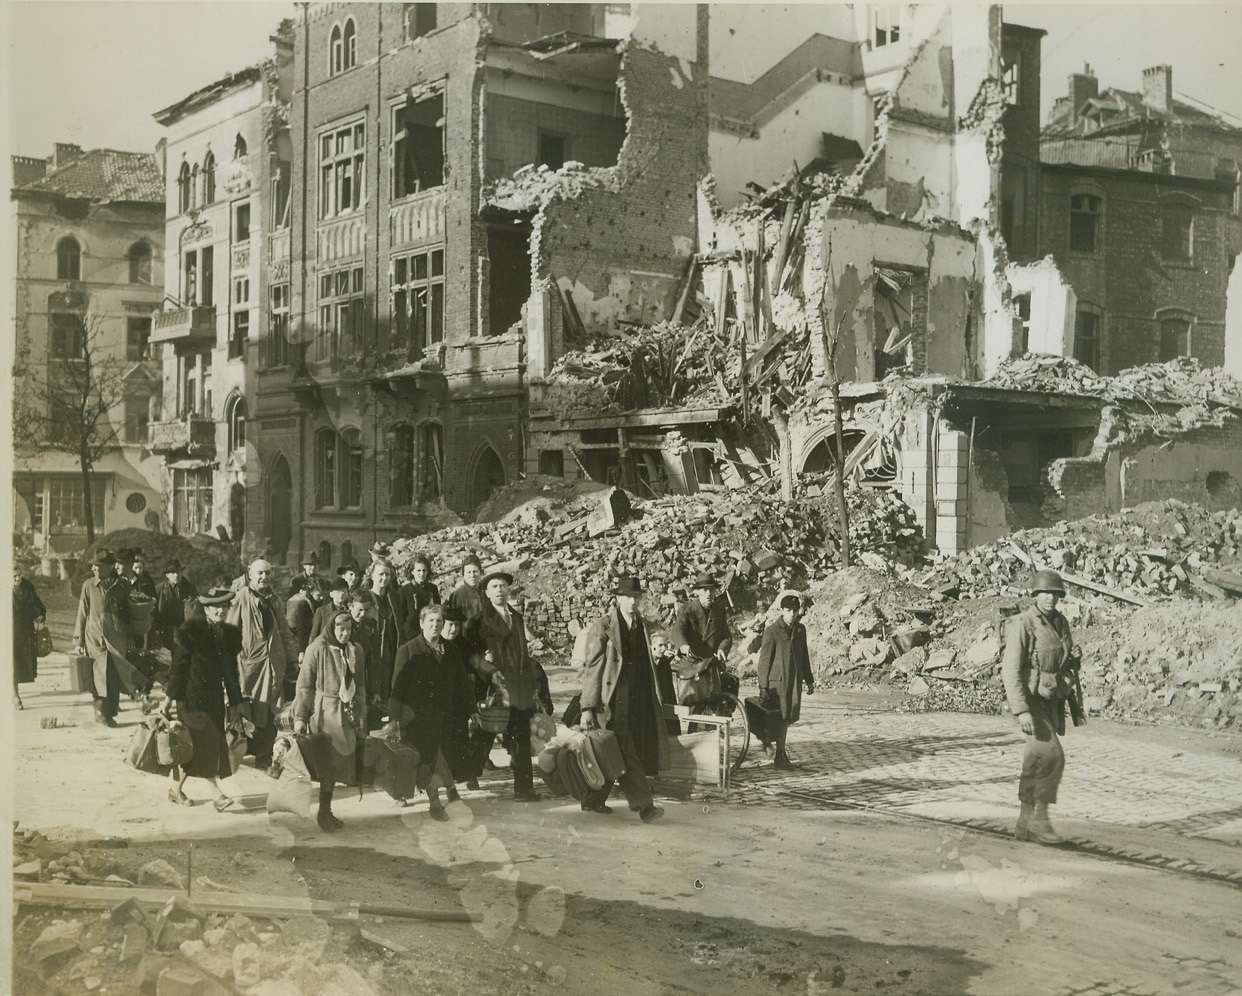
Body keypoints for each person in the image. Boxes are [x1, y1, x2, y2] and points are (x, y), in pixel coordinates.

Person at [579, 576, 668, 823]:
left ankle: (593, 800)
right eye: (626, 597)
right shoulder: (604, 626)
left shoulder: (642, 626)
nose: (631, 602)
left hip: (637, 700)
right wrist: (587, 707)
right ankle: (644, 805)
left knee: (613, 751)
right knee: (626, 750)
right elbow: (593, 667)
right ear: (617, 599)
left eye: (635, 597)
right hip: (611, 701)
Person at [1002, 569, 1081, 845]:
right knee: (1052, 756)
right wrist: (1021, 709)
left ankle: (1024, 823)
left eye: (1055, 594)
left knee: (1035, 759)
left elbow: (1060, 661)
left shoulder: (1060, 623)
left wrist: (1073, 659)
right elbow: (1010, 669)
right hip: (1032, 702)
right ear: (1035, 595)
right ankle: (1040, 821)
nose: (1050, 598)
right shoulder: (1024, 624)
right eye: (1045, 593)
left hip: (1052, 701)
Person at [162, 587, 244, 810]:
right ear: (206, 609)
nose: (221, 610)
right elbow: (178, 668)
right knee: (202, 743)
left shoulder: (228, 634)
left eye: (225, 606)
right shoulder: (191, 633)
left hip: (214, 698)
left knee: (200, 747)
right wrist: (169, 699)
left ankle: (175, 790)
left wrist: (236, 701)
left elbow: (230, 672)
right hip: (191, 698)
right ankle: (217, 796)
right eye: (216, 606)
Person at [389, 604, 467, 819]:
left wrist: (470, 709)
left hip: (443, 714)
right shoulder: (408, 649)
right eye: (430, 621)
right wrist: (394, 717)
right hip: (416, 715)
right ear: (422, 623)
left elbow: (461, 682)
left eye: (439, 621)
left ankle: (450, 791)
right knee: (428, 757)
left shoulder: (450, 650)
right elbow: (397, 686)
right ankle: (435, 803)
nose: (435, 625)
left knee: (438, 754)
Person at [294, 610, 367, 832]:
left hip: (347, 713)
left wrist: (361, 712)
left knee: (339, 764)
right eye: (340, 629)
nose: (345, 634)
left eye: (349, 629)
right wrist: (300, 716)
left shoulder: (355, 651)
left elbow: (361, 684)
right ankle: (323, 812)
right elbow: (305, 686)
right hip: (324, 713)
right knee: (328, 764)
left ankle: (326, 810)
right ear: (331, 628)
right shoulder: (317, 649)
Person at [472, 571, 540, 801]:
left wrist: (532, 685)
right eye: (494, 586)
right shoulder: (480, 620)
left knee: (521, 734)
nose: (500, 590)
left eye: (503, 586)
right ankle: (468, 773)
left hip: (519, 685)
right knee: (486, 732)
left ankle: (524, 788)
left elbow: (524, 653)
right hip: (495, 685)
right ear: (487, 593)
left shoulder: (517, 617)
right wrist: (488, 669)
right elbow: (472, 655)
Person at [226, 559, 295, 772]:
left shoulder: (274, 600)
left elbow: (284, 630)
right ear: (250, 574)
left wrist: (291, 658)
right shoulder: (241, 598)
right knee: (248, 709)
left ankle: (264, 756)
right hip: (249, 665)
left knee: (270, 710)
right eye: (260, 573)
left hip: (272, 664)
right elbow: (230, 632)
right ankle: (242, 749)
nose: (264, 577)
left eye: (267, 573)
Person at [74, 550, 145, 726]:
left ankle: (110, 712)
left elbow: (129, 613)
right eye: (93, 566)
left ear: (108, 567)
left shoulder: (121, 585)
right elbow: (82, 613)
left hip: (116, 637)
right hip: (95, 637)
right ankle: (100, 712)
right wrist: (78, 641)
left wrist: (132, 637)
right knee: (99, 674)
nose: (93, 569)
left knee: (113, 675)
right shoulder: (89, 586)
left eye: (97, 566)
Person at [756, 594, 815, 770]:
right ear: (782, 611)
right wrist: (763, 686)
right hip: (777, 683)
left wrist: (809, 680)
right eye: (788, 610)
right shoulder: (772, 631)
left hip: (793, 682)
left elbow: (804, 656)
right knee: (778, 717)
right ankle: (776, 751)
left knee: (787, 716)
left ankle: (778, 752)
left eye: (795, 611)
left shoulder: (800, 631)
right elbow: (764, 660)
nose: (791, 614)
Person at [368, 559, 407, 706]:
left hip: (393, 648)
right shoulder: (367, 597)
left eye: (387, 575)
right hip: (376, 650)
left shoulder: (393, 597)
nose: (384, 578)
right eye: (381, 574)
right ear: (372, 575)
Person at [672, 573, 733, 662]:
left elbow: (726, 636)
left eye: (711, 590)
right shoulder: (686, 610)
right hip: (691, 660)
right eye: (705, 590)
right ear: (697, 592)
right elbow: (678, 629)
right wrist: (683, 645)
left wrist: (721, 649)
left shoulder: (720, 611)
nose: (708, 594)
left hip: (712, 661)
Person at [13, 564, 46, 710]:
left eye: (19, 575)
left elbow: (36, 604)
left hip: (25, 632)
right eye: (13, 576)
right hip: (8, 632)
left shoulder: (28, 587)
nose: (17, 579)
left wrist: (39, 615)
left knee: (20, 665)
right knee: (11, 665)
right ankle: (15, 696)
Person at [154, 560, 198, 651]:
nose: (176, 575)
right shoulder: (159, 589)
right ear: (167, 575)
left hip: (184, 629)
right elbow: (155, 612)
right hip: (166, 628)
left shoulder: (190, 588)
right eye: (173, 573)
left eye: (178, 572)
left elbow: (195, 609)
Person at [285, 577, 317, 698]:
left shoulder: (296, 600)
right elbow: (297, 627)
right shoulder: (299, 602)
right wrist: (301, 649)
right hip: (300, 643)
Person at [399, 554, 441, 636]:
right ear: (412, 572)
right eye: (418, 570)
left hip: (430, 633)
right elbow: (401, 618)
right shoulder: (404, 591)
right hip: (411, 635)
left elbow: (438, 611)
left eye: (424, 570)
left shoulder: (433, 589)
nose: (422, 574)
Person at [309, 578, 351, 643]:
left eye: (343, 592)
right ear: (331, 594)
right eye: (338, 592)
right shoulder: (322, 611)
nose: (341, 595)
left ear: (347, 594)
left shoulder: (349, 611)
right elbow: (313, 635)